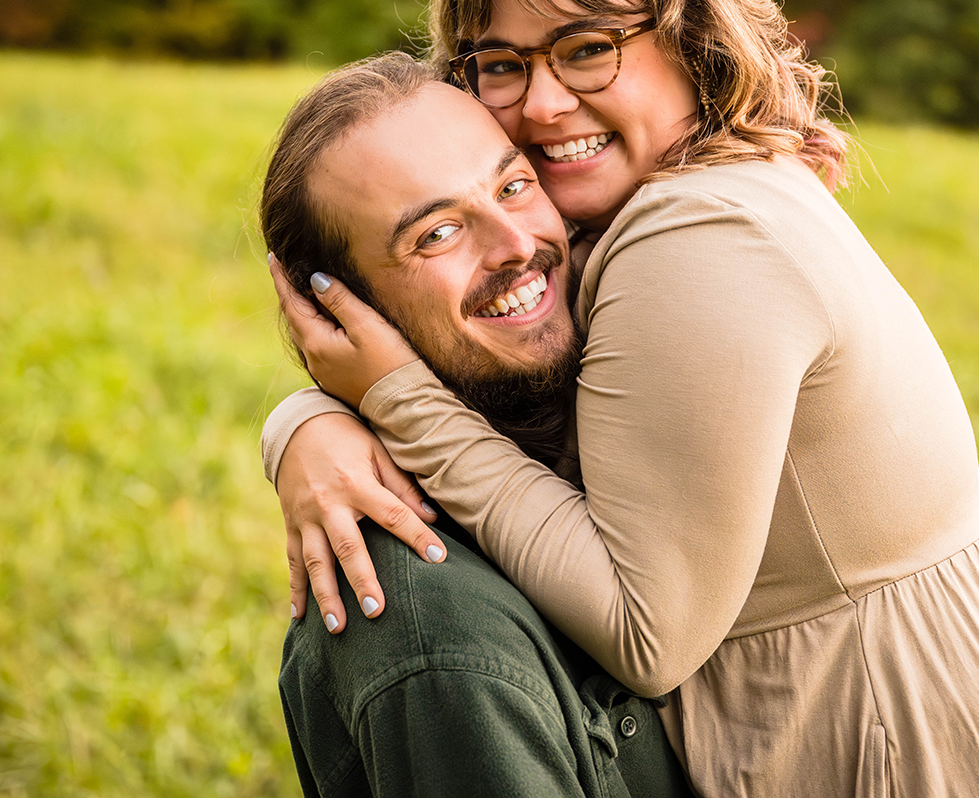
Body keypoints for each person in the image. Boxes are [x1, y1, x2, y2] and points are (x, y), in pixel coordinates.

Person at [266, 0, 979, 797]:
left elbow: (647, 634)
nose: (546, 101)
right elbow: (502, 379)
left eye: (588, 47)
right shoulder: (658, 211)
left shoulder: (699, 233)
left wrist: (394, 403)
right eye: (503, 63)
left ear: (690, 38)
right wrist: (308, 423)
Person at [263, 55, 694, 797]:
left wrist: (297, 421)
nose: (518, 244)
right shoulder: (437, 631)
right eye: (435, 234)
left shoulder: (635, 388)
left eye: (514, 185)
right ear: (334, 314)